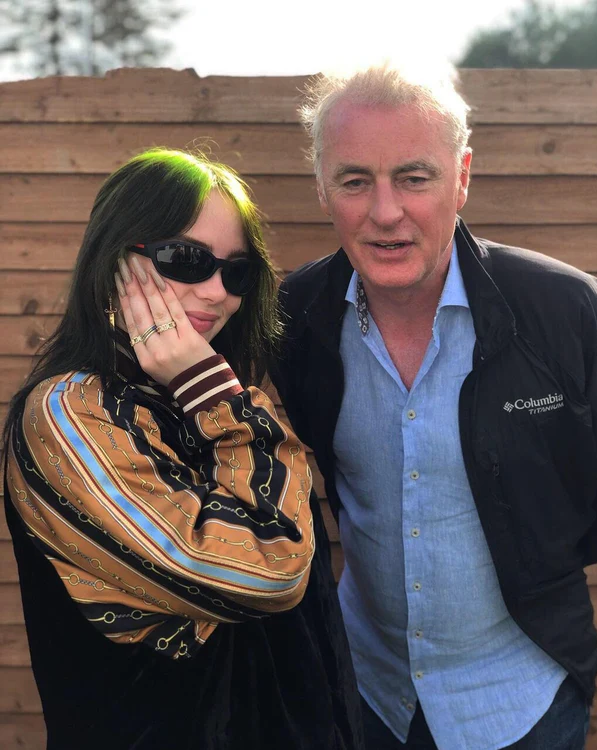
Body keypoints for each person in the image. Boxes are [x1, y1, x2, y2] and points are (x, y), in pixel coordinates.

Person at [270, 62, 597, 750]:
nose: (385, 211)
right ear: (322, 188)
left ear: (462, 176)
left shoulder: (565, 311)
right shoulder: (293, 318)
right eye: (355, 181)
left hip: (523, 700)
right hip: (368, 693)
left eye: (414, 178)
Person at [2, 148, 363, 750]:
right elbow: (272, 570)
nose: (217, 292)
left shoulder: (215, 400)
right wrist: (216, 395)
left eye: (237, 272)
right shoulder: (68, 415)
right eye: (186, 260)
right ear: (114, 261)